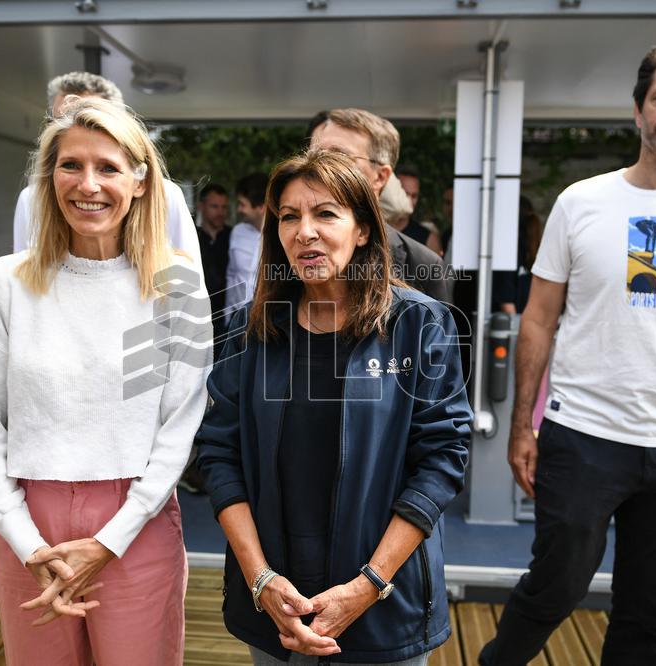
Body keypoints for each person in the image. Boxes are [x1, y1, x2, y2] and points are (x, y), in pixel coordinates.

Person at [480, 40, 656, 665]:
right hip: (583, 438)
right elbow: (538, 320)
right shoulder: (581, 202)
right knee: (553, 590)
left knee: (647, 613)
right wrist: (525, 426)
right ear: (638, 110)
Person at [0, 97, 211, 665]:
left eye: (108, 167)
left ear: (141, 182)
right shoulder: (7, 283)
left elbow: (178, 420)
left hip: (135, 521)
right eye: (70, 165)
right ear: (49, 178)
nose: (87, 184)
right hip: (26, 522)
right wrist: (24, 539)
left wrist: (108, 540)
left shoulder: (174, 283)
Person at [197, 149, 471, 664]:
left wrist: (368, 585)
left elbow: (442, 458)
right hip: (276, 599)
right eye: (289, 216)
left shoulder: (419, 325)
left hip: (385, 599)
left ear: (363, 230)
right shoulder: (247, 330)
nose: (305, 232)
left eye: (325, 214)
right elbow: (218, 455)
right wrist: (260, 579)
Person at [12, 71, 200, 266]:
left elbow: (188, 278)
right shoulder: (30, 199)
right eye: (61, 119)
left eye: (92, 115)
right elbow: (23, 272)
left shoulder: (165, 194)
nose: (88, 186)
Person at [309, 109, 452, 304]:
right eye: (315, 154)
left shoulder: (423, 265)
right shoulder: (289, 245)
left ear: (380, 176)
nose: (319, 166)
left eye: (338, 157)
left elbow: (436, 332)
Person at [224, 172, 269, 315]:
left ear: (261, 207)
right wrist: (227, 315)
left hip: (266, 318)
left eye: (243, 204)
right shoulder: (238, 232)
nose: (239, 210)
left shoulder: (280, 236)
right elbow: (231, 274)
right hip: (236, 316)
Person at [195, 183, 232, 339]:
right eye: (214, 206)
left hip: (228, 318)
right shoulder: (192, 237)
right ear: (201, 206)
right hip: (198, 318)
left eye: (224, 207)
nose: (220, 212)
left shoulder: (234, 237)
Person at [395, 164, 443, 255]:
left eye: (414, 196)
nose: (409, 201)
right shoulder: (375, 231)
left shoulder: (429, 240)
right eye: (405, 194)